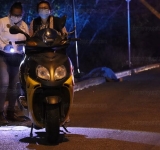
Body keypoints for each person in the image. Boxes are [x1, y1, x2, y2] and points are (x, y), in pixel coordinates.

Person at [0, 2, 29, 125]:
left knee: (15, 85)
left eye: (19, 15)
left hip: (17, 58)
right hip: (4, 56)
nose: (16, 17)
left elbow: (28, 40)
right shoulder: (2, 22)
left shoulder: (24, 26)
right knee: (4, 83)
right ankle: (0, 113)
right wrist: (3, 46)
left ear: (22, 14)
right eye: (14, 14)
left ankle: (11, 112)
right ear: (10, 13)